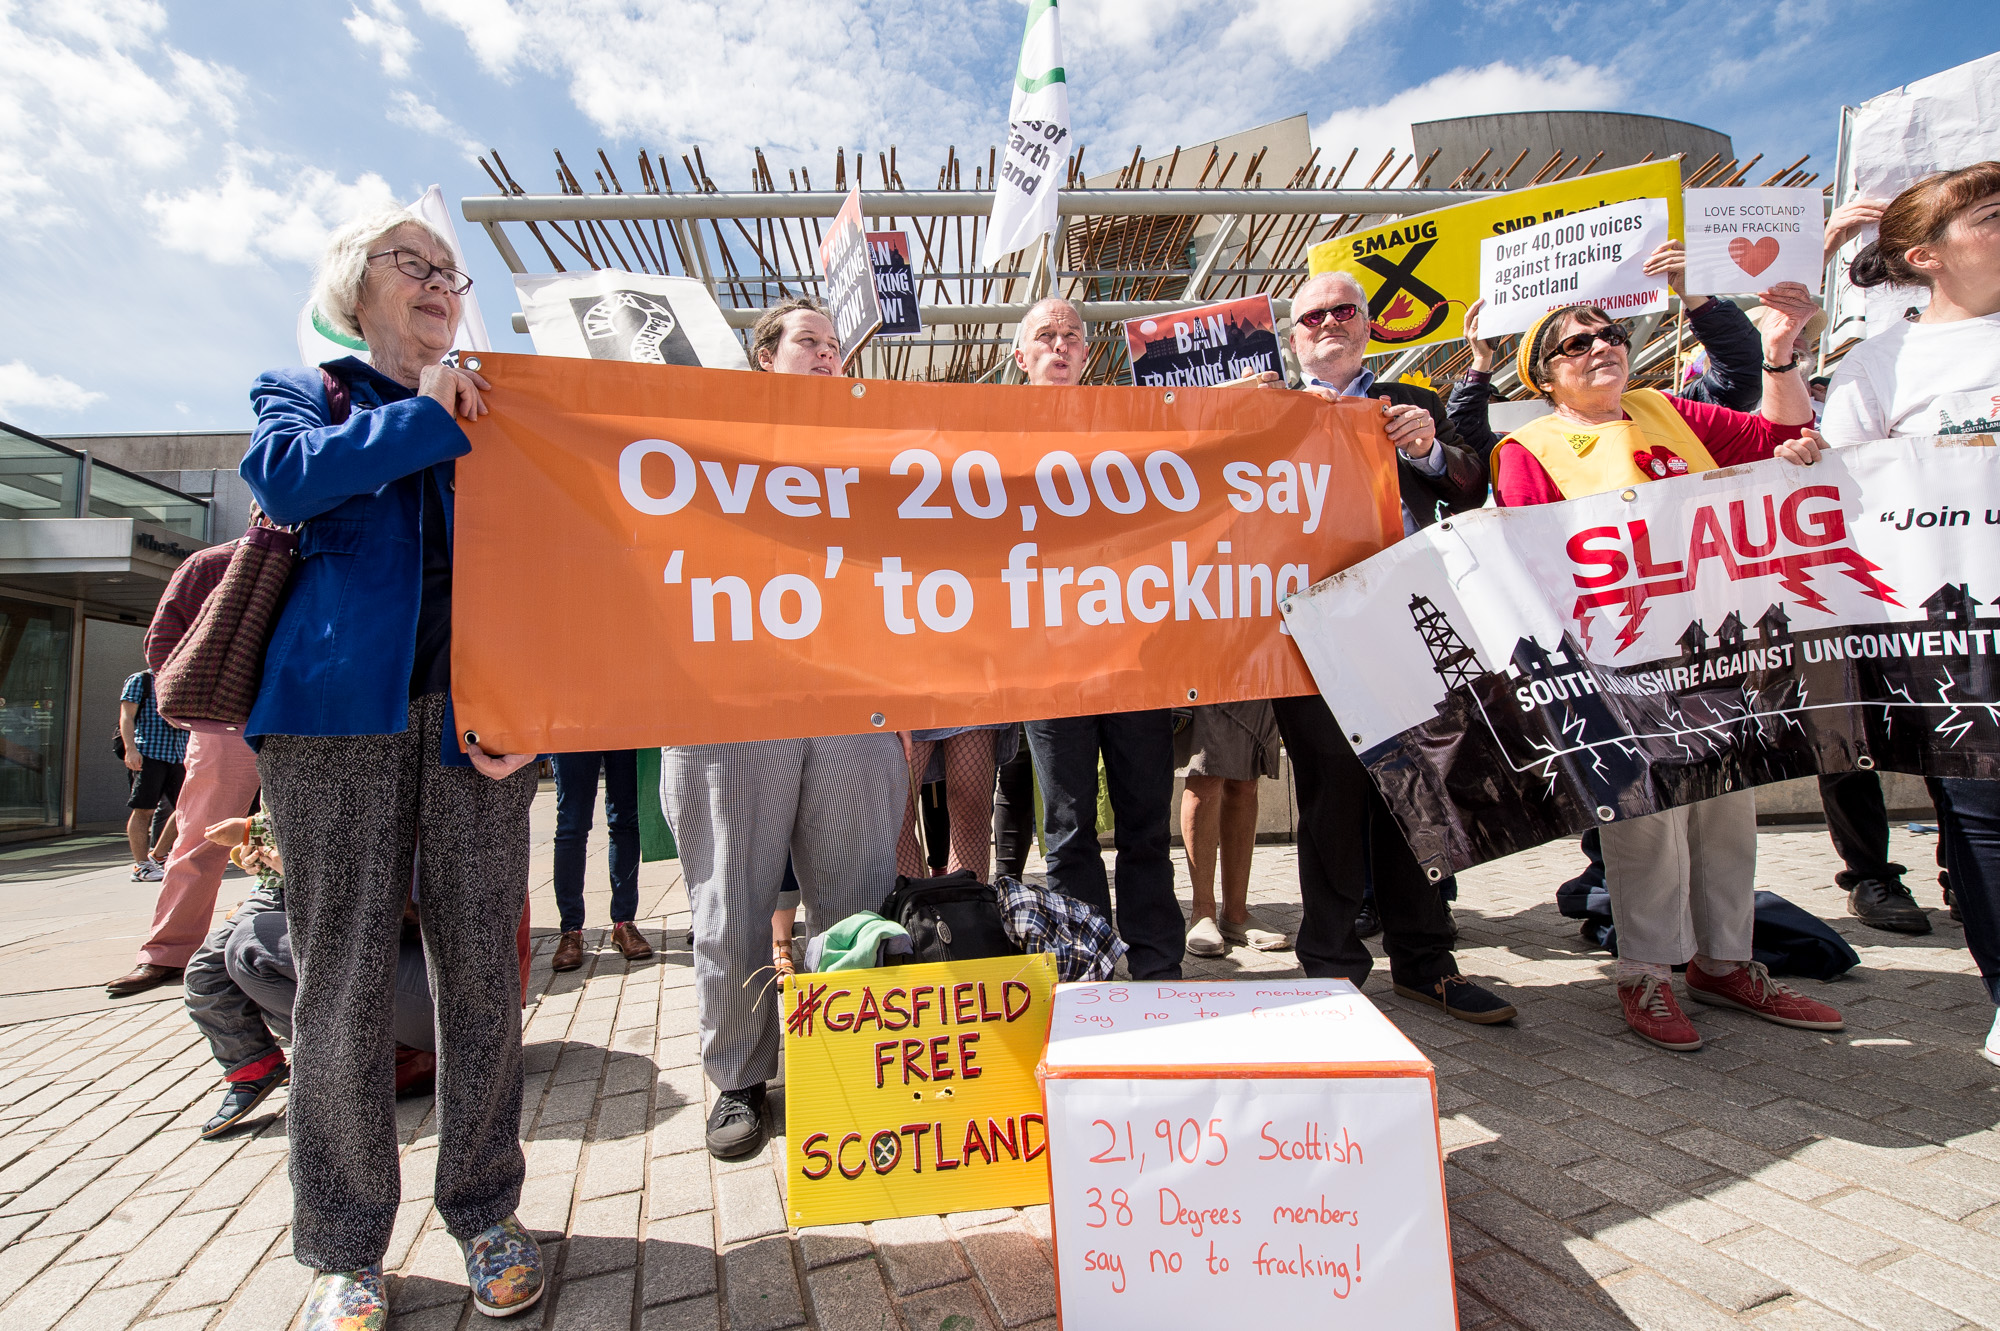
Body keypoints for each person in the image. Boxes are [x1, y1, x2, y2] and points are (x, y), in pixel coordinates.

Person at [241, 206, 545, 1328]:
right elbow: (283, 480)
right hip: (331, 722)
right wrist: (424, 418)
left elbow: (550, 560)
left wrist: (538, 707)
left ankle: (486, 1209)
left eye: (447, 269)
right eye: (405, 262)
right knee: (342, 983)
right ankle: (342, 1244)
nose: (432, 281)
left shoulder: (504, 412)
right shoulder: (304, 388)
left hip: (476, 726)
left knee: (482, 974)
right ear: (352, 288)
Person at [1488, 277, 1843, 1051]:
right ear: (1544, 376)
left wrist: (1781, 359)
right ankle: (1645, 970)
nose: (1600, 347)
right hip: (1623, 660)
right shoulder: (1527, 449)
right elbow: (1530, 557)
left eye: (1608, 333)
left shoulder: (1663, 409)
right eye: (1574, 343)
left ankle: (1727, 961)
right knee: (1646, 821)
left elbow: (1774, 437)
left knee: (1728, 807)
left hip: (1715, 644)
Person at [659, 296, 908, 1161]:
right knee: (731, 899)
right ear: (764, 357)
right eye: (809, 341)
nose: (828, 355)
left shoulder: (873, 445)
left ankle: (847, 1062)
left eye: (836, 345)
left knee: (855, 899)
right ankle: (738, 1078)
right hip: (735, 708)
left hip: (849, 704)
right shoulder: (704, 434)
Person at [1251, 271, 1514, 1023]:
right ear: (1293, 333)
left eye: (1344, 310)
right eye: (1313, 315)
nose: (1329, 322)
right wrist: (1240, 420)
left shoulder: (1415, 402)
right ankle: (1331, 968)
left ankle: (1426, 960)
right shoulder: (1264, 407)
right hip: (1310, 634)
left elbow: (1469, 485)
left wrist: (1430, 449)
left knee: (1420, 790)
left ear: (1367, 325)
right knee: (1331, 795)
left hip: (1407, 623)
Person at [1820, 160, 2000, 1064]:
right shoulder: (1883, 364)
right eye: (1993, 215)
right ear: (1926, 255)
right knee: (1982, 812)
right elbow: (1834, 493)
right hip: (1958, 628)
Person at [1012, 297, 1184, 983]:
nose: (1060, 346)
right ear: (1021, 357)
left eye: (1072, 337)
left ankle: (1157, 961)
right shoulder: (982, 436)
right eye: (1045, 337)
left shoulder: (1129, 425)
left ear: (1088, 355)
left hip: (1134, 656)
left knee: (1146, 817)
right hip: (1046, 663)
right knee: (1068, 828)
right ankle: (1090, 965)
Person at [183, 813, 440, 1139]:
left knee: (251, 946)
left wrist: (265, 840)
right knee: (207, 973)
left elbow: (372, 871)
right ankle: (255, 1068)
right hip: (278, 887)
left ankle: (389, 1055)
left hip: (420, 967)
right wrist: (256, 850)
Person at [107, 536, 266, 999]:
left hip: (301, 717)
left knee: (303, 837)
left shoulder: (328, 548)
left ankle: (288, 953)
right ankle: (167, 951)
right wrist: (183, 704)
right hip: (228, 721)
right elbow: (165, 638)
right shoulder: (215, 562)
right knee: (200, 836)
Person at [1179, 702, 1289, 956]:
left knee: (1246, 781)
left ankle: (1236, 913)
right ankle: (1202, 912)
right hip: (1205, 670)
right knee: (1203, 775)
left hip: (1253, 672)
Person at [549, 750, 651, 972]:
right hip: (571, 724)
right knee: (571, 824)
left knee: (625, 821)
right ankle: (570, 930)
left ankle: (624, 923)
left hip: (620, 722)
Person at [895, 725, 1017, 881]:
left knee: (971, 812)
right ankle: (912, 903)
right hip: (908, 705)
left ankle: (966, 901)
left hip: (969, 703)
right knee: (897, 820)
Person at [114, 668, 186, 901]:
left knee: (186, 808)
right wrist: (130, 749)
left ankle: (158, 855)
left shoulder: (185, 676)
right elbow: (126, 716)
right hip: (149, 753)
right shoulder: (141, 680)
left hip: (179, 754)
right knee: (144, 809)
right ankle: (141, 865)